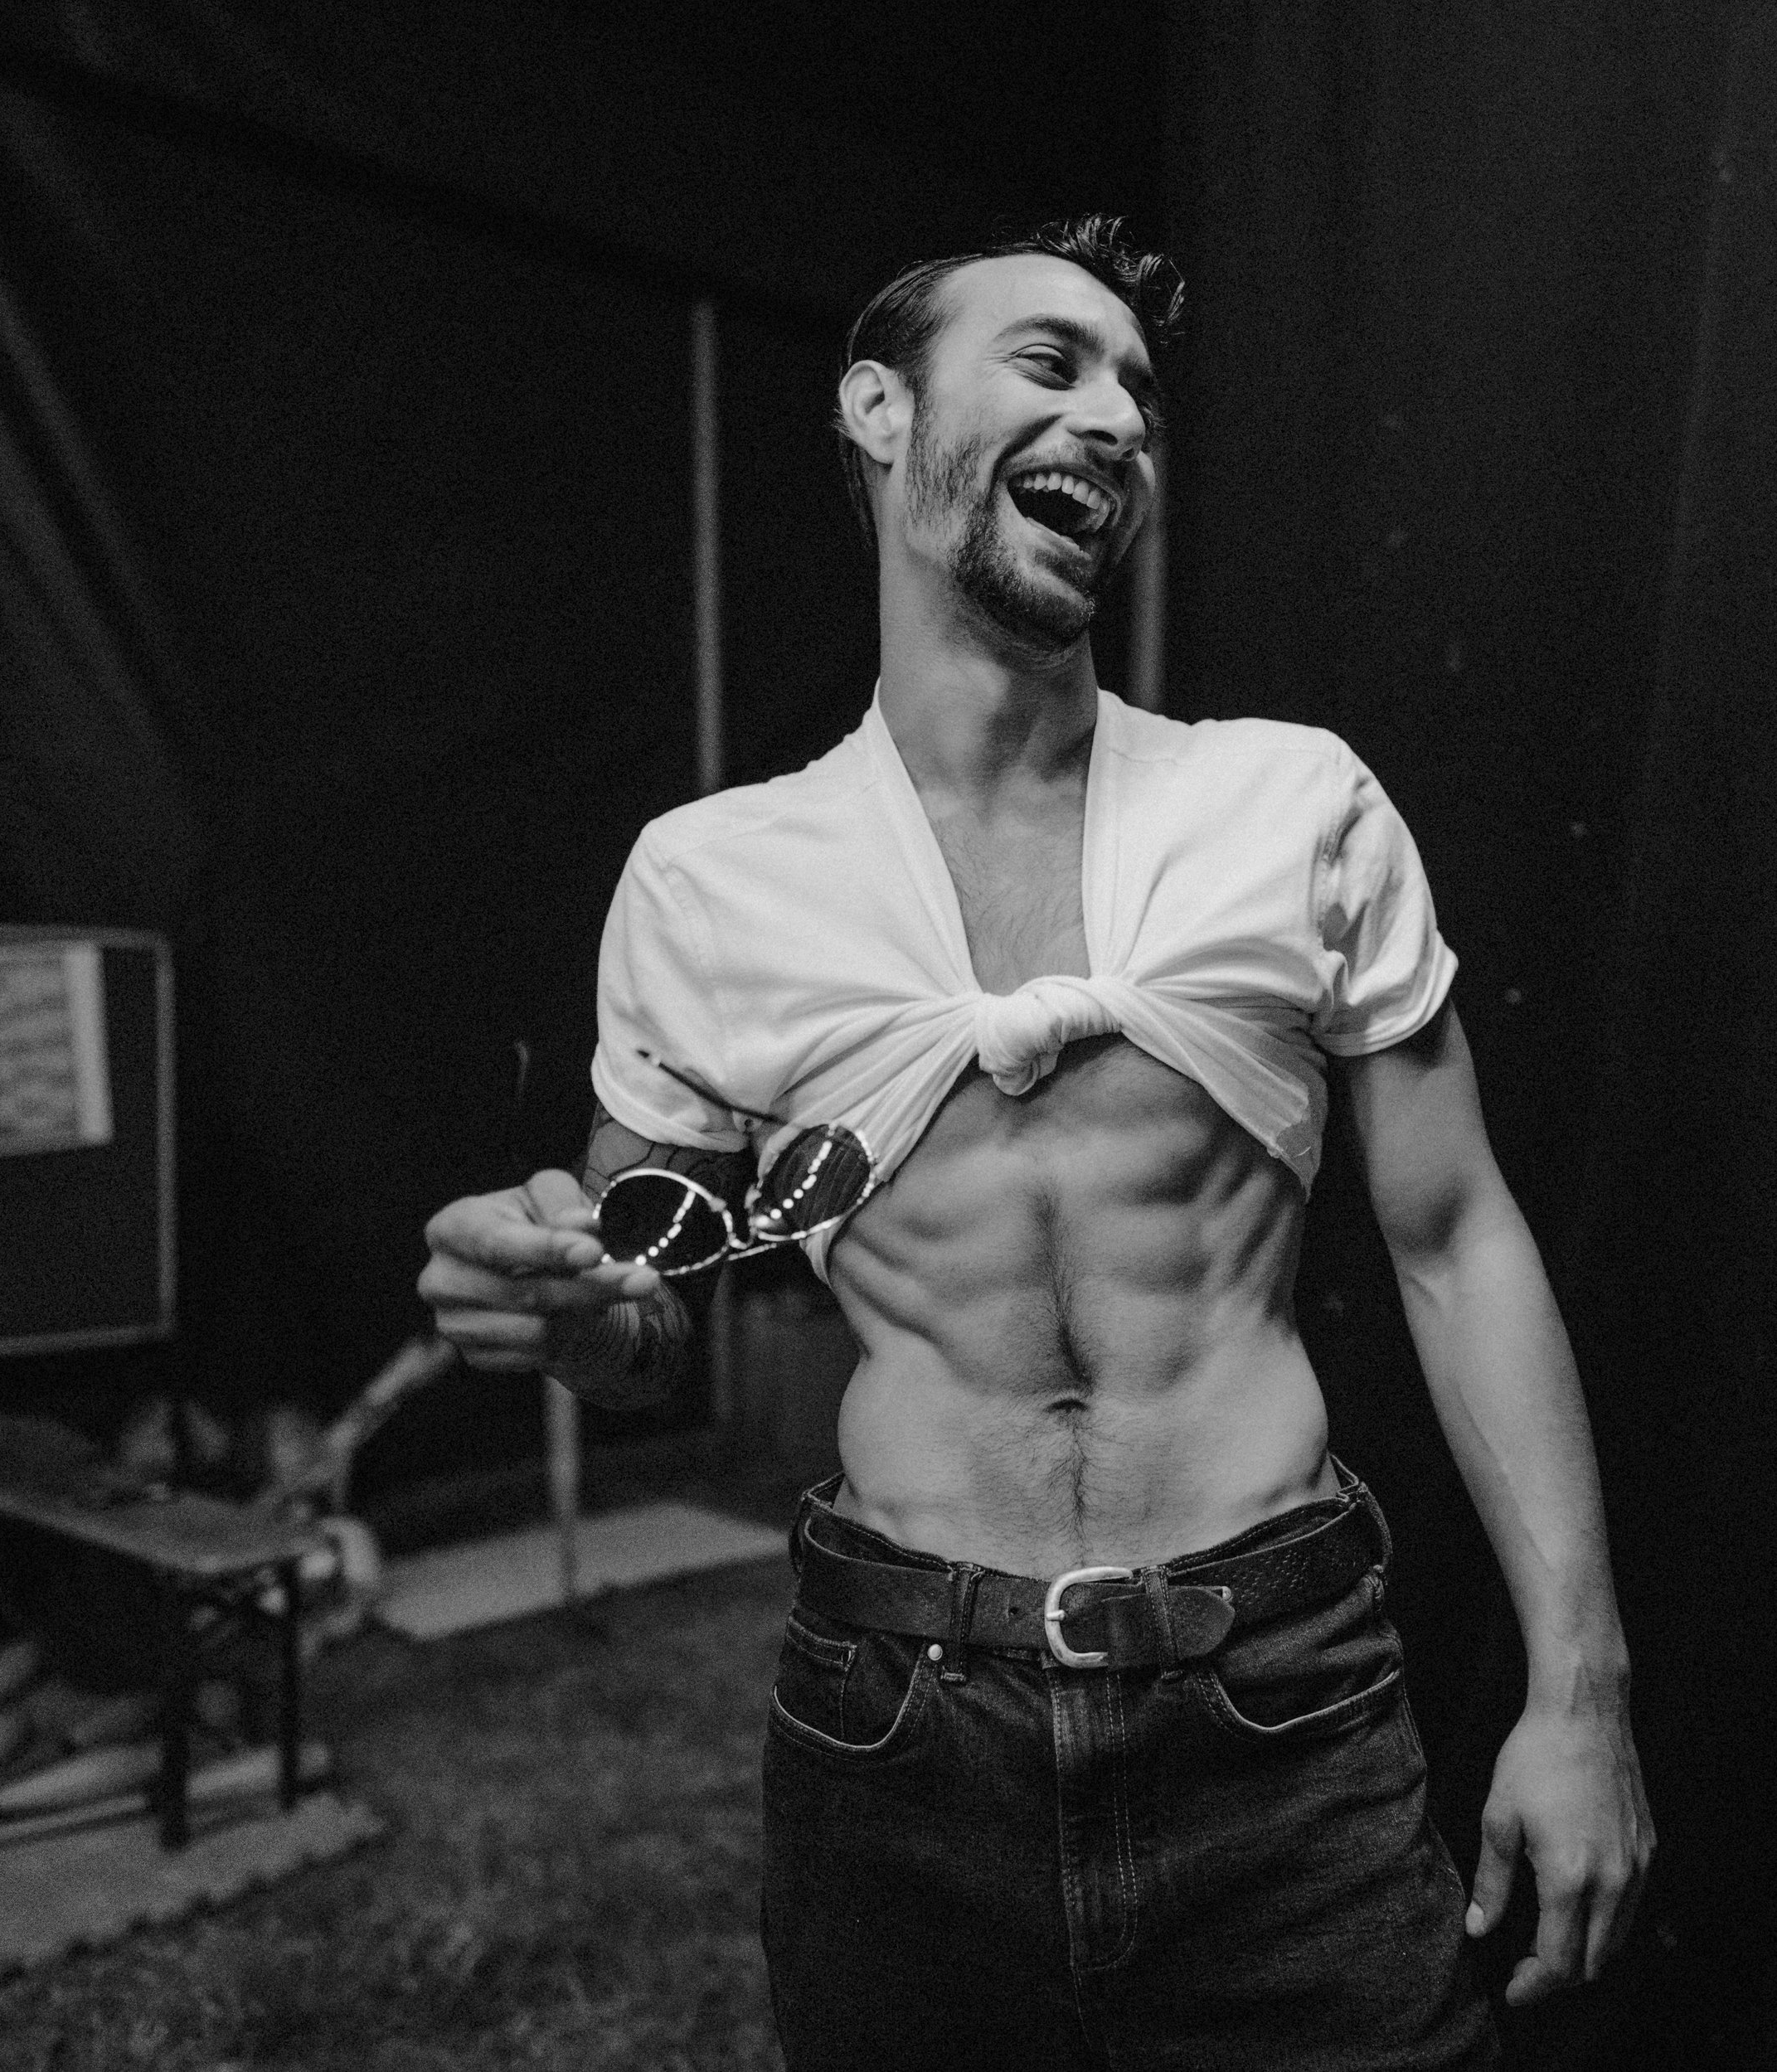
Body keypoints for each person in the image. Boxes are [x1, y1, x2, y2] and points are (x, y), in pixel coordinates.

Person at [417, 216, 1652, 2069]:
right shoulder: (709, 878)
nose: (1115, 419)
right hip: (894, 1725)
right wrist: (566, 1308)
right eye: (1050, 362)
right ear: (876, 409)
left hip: (1278, 1703)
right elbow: (645, 1297)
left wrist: (1580, 1685)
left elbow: (1452, 1232)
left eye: (1139, 393)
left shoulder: (1286, 801)